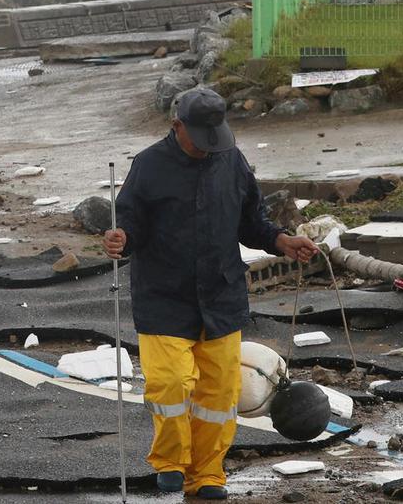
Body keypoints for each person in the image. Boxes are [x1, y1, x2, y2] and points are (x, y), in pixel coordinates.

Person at [102, 87, 319, 500]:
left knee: (218, 395)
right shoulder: (148, 166)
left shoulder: (231, 161)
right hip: (163, 297)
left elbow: (251, 222)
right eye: (199, 138)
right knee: (170, 385)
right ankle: (171, 461)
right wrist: (120, 240)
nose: (207, 148)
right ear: (176, 126)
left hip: (221, 295)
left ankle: (207, 473)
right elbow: (129, 224)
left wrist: (281, 241)